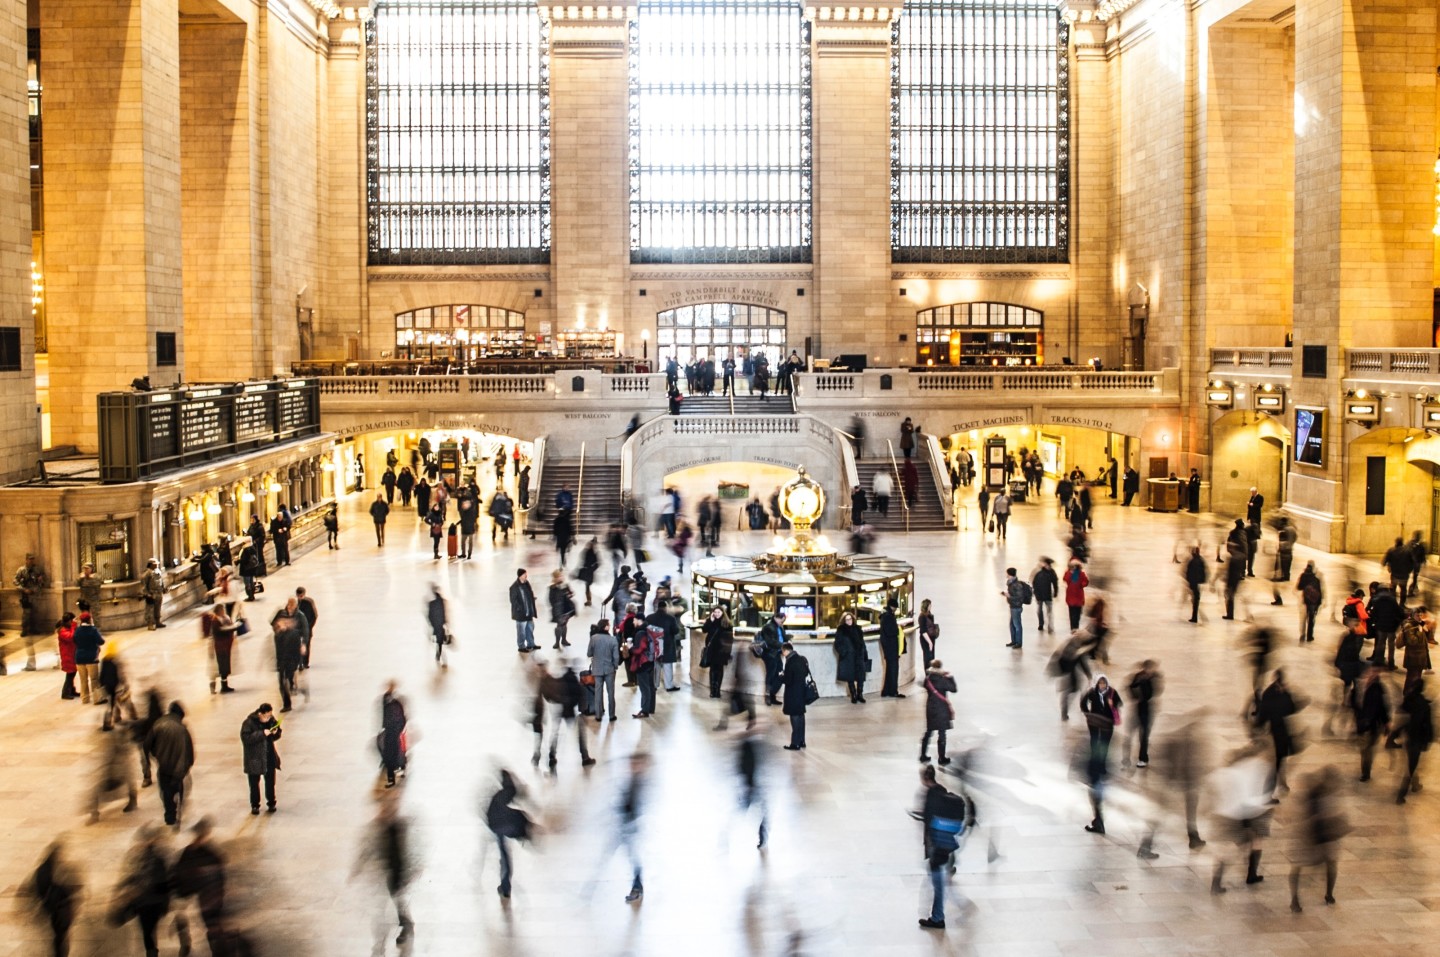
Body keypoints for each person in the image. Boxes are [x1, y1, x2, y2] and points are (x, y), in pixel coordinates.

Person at [352, 796, 415, 946]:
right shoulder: (376, 826)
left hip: (397, 871)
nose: (383, 812)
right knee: (380, 907)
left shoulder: (400, 825)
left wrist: (412, 869)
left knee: (396, 901)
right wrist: (358, 867)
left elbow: (408, 849)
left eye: (387, 809)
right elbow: (366, 848)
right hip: (382, 872)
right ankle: (380, 940)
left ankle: (406, 925)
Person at [916, 764, 968, 931]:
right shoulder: (941, 790)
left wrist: (928, 848)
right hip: (946, 843)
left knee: (938, 883)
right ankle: (938, 914)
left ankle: (938, 918)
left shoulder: (930, 795)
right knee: (938, 880)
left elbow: (928, 823)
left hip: (937, 846)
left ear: (924, 779)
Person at [1288, 765, 1346, 912]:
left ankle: (1329, 893)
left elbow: (1336, 814)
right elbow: (1303, 816)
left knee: (1331, 863)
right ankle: (1294, 899)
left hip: (1326, 836)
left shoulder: (1332, 793)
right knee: (1299, 865)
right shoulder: (1313, 794)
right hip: (1309, 836)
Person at [171, 818, 232, 956]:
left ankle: (215, 950)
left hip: (208, 897)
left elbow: (179, 873)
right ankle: (218, 952)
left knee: (212, 926)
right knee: (213, 926)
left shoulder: (191, 852)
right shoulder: (210, 854)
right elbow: (219, 871)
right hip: (211, 897)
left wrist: (180, 893)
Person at [25, 841, 82, 957]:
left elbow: (33, 889)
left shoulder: (42, 870)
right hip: (57, 908)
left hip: (52, 908)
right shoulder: (47, 872)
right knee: (60, 936)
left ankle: (59, 953)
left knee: (59, 935)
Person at [1080, 674, 1121, 834]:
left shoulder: (1112, 693)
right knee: (1095, 742)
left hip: (1107, 724)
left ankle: (1099, 823)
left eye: (1104, 683)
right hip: (1094, 722)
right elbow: (1083, 702)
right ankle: (1098, 822)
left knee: (1104, 744)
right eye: (1100, 683)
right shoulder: (1091, 692)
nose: (1102, 685)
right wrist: (1087, 713)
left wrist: (1112, 705)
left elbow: (1118, 704)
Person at [145, 701, 195, 826]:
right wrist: (189, 763)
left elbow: (147, 744)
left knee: (166, 790)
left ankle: (169, 814)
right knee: (178, 787)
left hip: (164, 765)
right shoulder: (183, 729)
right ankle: (178, 808)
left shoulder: (158, 724)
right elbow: (189, 749)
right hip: (179, 766)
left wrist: (155, 755)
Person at [1257, 669, 1298, 796]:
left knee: (1280, 759)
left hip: (1280, 730)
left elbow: (1291, 709)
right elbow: (1265, 712)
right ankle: (1271, 788)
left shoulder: (1276, 692)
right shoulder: (1270, 693)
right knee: (1277, 760)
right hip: (1274, 730)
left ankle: (1280, 783)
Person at [1395, 680, 1433, 804]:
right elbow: (1427, 725)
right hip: (1417, 739)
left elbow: (1400, 716)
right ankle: (1401, 794)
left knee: (1410, 763)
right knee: (1411, 767)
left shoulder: (1407, 701)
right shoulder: (1424, 705)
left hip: (1407, 736)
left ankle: (1415, 784)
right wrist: (1428, 740)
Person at [240, 703, 282, 814]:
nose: (268, 718)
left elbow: (277, 732)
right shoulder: (248, 723)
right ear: (260, 714)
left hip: (269, 756)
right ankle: (255, 805)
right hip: (254, 758)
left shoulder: (271, 720)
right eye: (266, 716)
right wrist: (262, 733)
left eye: (270, 716)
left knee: (270, 782)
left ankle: (271, 802)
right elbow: (246, 738)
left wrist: (276, 732)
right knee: (254, 783)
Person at [270, 600, 306, 712]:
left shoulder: (294, 634)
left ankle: (294, 689)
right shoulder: (278, 634)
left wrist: (303, 646)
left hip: (289, 661)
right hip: (281, 661)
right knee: (282, 682)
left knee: (286, 679)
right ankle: (287, 704)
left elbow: (297, 649)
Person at [1126, 660, 1162, 768]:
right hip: (1138, 708)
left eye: (1150, 670)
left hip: (1148, 709)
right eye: (1146, 669)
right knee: (1132, 733)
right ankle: (1134, 754)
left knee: (1144, 734)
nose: (1148, 672)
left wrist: (1145, 682)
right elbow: (1130, 687)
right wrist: (1134, 697)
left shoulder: (1155, 678)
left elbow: (1151, 694)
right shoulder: (1138, 676)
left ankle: (1143, 758)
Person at [920, 660, 956, 764]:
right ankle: (941, 758)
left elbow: (924, 684)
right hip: (941, 709)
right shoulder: (943, 680)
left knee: (929, 731)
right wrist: (950, 677)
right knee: (942, 733)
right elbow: (953, 689)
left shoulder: (928, 680)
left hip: (930, 708)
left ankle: (923, 755)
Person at [587, 618, 621, 721]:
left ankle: (598, 715)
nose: (610, 626)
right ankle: (611, 715)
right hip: (609, 669)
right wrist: (615, 666)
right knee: (611, 692)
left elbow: (589, 653)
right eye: (608, 625)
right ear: (605, 627)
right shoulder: (613, 640)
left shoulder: (593, 638)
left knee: (598, 692)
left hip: (597, 668)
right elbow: (616, 657)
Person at [780, 642, 811, 750]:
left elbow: (788, 680)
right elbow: (806, 673)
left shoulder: (790, 662)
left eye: (783, 652)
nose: (783, 654)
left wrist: (781, 676)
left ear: (786, 651)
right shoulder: (801, 659)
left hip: (793, 693)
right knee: (801, 716)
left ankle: (795, 743)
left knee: (794, 717)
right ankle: (802, 741)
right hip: (801, 691)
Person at [834, 609, 869, 703]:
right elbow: (837, 644)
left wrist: (865, 653)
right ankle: (853, 694)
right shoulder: (841, 630)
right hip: (848, 657)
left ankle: (860, 694)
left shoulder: (858, 629)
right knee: (850, 677)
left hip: (859, 656)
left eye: (850, 619)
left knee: (860, 676)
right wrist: (844, 652)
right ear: (844, 621)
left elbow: (862, 642)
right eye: (847, 620)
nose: (849, 621)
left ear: (853, 619)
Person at [647, 598, 682, 692]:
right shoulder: (670, 618)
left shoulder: (650, 617)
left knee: (655, 665)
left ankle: (654, 685)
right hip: (667, 645)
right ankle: (669, 686)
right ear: (666, 608)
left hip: (654, 645)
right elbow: (676, 631)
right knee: (667, 666)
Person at [700, 606, 734, 700]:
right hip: (712, 649)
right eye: (715, 612)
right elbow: (704, 630)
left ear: (722, 612)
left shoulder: (727, 623)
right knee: (712, 670)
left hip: (721, 650)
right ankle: (712, 691)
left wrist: (727, 652)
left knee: (719, 670)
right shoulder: (711, 621)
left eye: (718, 612)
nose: (717, 614)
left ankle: (717, 690)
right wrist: (710, 621)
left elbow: (729, 639)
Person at [379, 682, 408, 787]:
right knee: (393, 754)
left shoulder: (395, 702)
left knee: (395, 754)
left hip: (393, 733)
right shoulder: (389, 701)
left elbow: (403, 717)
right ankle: (395, 775)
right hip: (391, 732)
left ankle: (397, 773)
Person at [71, 611, 103, 703]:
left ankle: (85, 698)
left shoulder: (77, 630)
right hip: (91, 657)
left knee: (83, 680)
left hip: (79, 658)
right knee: (94, 679)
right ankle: (97, 699)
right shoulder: (93, 630)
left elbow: (74, 640)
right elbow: (101, 641)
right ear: (89, 619)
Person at [757, 609, 787, 705]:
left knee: (779, 674)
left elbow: (783, 637)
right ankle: (768, 696)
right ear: (775, 618)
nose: (782, 622)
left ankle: (772, 694)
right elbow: (770, 642)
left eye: (783, 620)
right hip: (770, 654)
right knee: (771, 675)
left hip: (777, 654)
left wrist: (788, 640)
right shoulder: (768, 627)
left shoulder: (780, 627)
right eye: (781, 620)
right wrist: (783, 645)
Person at [879, 599, 905, 697]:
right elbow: (891, 631)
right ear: (892, 607)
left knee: (890, 669)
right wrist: (898, 628)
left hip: (888, 647)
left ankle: (886, 691)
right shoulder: (888, 617)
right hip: (891, 647)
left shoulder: (884, 615)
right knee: (893, 669)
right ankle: (893, 691)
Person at [510, 568, 538, 652]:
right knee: (521, 632)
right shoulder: (514, 587)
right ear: (520, 576)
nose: (526, 575)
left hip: (529, 612)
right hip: (521, 614)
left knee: (530, 629)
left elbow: (529, 594)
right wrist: (520, 609)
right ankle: (521, 647)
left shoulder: (526, 583)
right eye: (524, 574)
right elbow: (513, 601)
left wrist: (532, 599)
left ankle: (531, 644)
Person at [548, 569, 576, 650]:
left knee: (564, 625)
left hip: (567, 609)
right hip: (559, 610)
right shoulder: (552, 588)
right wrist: (556, 606)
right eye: (560, 576)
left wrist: (570, 594)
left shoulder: (565, 585)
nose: (562, 577)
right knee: (559, 626)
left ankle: (563, 640)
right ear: (556, 578)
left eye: (562, 576)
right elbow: (551, 600)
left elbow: (570, 594)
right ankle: (557, 642)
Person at [1296, 561, 1323, 642]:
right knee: (1311, 618)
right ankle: (1310, 636)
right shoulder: (1316, 579)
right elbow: (1319, 591)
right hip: (1314, 601)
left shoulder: (1303, 576)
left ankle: (1302, 634)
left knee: (1303, 618)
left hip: (1305, 600)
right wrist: (1319, 602)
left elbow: (1299, 587)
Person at [1031, 558, 1058, 634]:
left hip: (1047, 595)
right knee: (1040, 611)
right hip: (1039, 595)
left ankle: (1050, 626)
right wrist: (1035, 592)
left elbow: (1055, 583)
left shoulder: (1052, 572)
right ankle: (1041, 624)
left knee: (1049, 611)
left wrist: (1056, 592)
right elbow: (1034, 583)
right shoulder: (1038, 572)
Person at [139, 558, 167, 630]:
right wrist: (147, 594)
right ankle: (150, 624)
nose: (157, 565)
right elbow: (144, 585)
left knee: (158, 608)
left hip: (159, 592)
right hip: (151, 594)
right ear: (151, 564)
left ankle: (158, 622)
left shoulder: (157, 571)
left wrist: (163, 588)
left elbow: (161, 581)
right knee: (150, 610)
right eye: (155, 564)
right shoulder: (147, 573)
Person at [1003, 567, 1027, 649]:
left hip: (1016, 607)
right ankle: (1014, 641)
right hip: (1013, 606)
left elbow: (1019, 597)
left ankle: (1018, 642)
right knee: (1012, 625)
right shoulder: (1011, 583)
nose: (1006, 576)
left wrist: (1009, 596)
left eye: (1007, 574)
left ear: (1010, 575)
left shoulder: (1017, 585)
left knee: (1017, 625)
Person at [427, 585, 450, 667]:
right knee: (440, 642)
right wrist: (446, 624)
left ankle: (438, 657)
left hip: (436, 626)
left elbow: (429, 616)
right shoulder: (442, 602)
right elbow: (444, 614)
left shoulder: (431, 603)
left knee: (439, 642)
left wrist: (432, 624)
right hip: (441, 625)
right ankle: (439, 657)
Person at [295, 586, 318, 669]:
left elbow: (315, 615)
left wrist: (310, 626)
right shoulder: (295, 603)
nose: (300, 598)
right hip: (297, 628)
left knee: (306, 645)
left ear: (304, 594)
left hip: (307, 627)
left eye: (301, 596)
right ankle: (300, 662)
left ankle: (305, 662)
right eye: (298, 596)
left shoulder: (309, 602)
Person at [55, 613, 77, 699]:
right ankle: (65, 693)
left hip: (71, 653)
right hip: (67, 655)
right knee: (70, 674)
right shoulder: (63, 631)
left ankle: (71, 690)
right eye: (72, 621)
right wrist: (73, 626)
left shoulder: (67, 628)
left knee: (72, 673)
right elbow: (70, 637)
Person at [76, 562, 102, 627]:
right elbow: (77, 584)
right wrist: (80, 578)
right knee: (84, 616)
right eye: (84, 569)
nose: (86, 570)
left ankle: (97, 630)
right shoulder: (82, 578)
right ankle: (85, 629)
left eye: (87, 568)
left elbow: (98, 586)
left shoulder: (96, 576)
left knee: (96, 616)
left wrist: (90, 578)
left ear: (91, 569)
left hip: (94, 599)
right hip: (84, 600)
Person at [916, 598, 938, 671]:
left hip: (931, 638)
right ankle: (928, 677)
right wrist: (930, 643)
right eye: (929, 605)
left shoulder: (929, 615)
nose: (931, 606)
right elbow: (923, 631)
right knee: (928, 658)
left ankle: (932, 676)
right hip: (926, 640)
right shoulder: (922, 616)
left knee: (932, 657)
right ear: (926, 606)